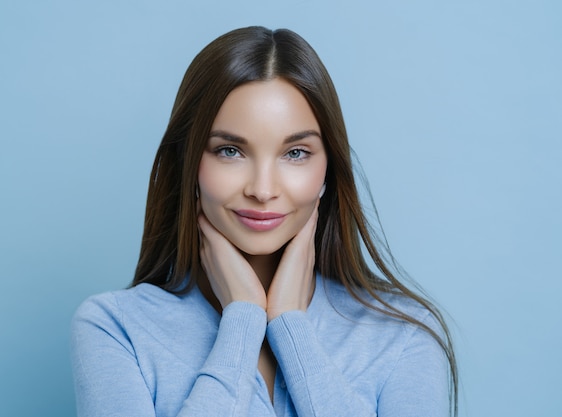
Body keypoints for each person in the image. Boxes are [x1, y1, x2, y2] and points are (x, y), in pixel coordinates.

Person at [71, 26, 458, 417]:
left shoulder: (404, 336)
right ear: (189, 163)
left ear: (329, 169)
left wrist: (291, 324)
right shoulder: (116, 329)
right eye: (230, 150)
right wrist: (242, 319)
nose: (262, 188)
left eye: (295, 153)